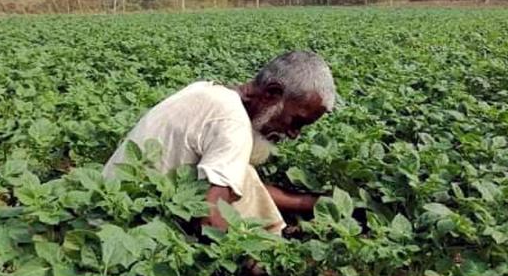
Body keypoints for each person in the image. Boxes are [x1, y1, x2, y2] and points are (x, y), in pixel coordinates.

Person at [103, 51, 335, 234]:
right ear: (272, 93)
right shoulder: (233, 123)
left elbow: (244, 187)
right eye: (296, 122)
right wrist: (250, 256)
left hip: (109, 209)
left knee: (242, 173)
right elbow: (211, 217)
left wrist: (324, 203)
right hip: (132, 226)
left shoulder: (208, 92)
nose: (294, 134)